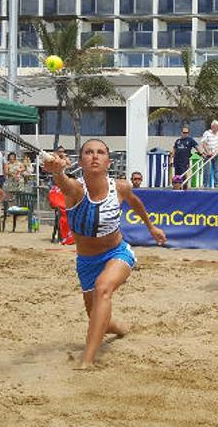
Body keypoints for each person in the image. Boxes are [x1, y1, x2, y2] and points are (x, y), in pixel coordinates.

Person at [44, 139, 166, 368]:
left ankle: (86, 361)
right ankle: (117, 328)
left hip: (117, 253)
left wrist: (151, 227)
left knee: (103, 289)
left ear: (109, 161)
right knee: (99, 319)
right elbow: (62, 182)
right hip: (86, 262)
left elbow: (135, 202)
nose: (94, 156)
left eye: (100, 152)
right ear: (81, 161)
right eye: (88, 152)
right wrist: (57, 173)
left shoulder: (120, 187)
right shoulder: (75, 189)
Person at [200, 120, 218, 188]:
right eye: (213, 126)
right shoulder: (207, 133)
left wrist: (216, 152)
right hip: (208, 155)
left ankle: (216, 185)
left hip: (217, 155)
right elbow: (204, 143)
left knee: (217, 170)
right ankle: (206, 185)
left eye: (216, 126)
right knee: (207, 171)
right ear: (211, 126)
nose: (214, 127)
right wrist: (208, 151)